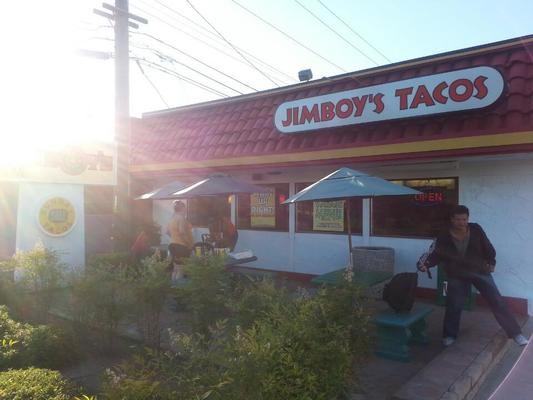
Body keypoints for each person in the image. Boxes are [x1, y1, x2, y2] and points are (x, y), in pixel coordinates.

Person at [418, 205, 529, 347]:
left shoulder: (476, 229)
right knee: (454, 305)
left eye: (464, 219)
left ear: (468, 218)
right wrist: (426, 264)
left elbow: (487, 246)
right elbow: (436, 253)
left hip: (479, 271)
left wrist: (491, 262)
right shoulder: (444, 234)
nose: (461, 222)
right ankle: (449, 335)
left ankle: (516, 334)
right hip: (457, 274)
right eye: (458, 219)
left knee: (497, 301)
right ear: (452, 219)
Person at [166, 200, 193, 279]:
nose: (185, 210)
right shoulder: (181, 218)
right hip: (181, 247)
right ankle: (179, 286)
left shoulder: (172, 218)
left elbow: (167, 232)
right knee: (181, 269)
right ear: (182, 208)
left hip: (172, 245)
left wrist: (175, 237)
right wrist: (189, 244)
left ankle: (173, 285)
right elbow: (182, 232)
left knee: (175, 269)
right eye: (185, 208)